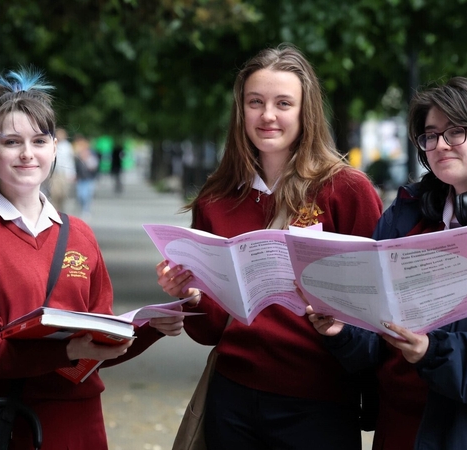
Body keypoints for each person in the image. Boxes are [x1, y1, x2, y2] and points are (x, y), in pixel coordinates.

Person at [155, 44, 383, 449]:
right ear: (241, 111)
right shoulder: (217, 197)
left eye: (283, 103)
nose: (268, 116)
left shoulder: (346, 191)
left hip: (319, 400)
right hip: (234, 395)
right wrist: (187, 292)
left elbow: (377, 309)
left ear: (305, 112)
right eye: (255, 102)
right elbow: (209, 329)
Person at [0, 68, 184, 450]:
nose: (27, 154)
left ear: (55, 147)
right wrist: (67, 350)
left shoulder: (80, 234)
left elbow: (99, 348)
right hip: (13, 421)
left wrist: (154, 326)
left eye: (39, 140)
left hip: (83, 420)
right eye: (11, 141)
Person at [307, 77, 467, 450]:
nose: (441, 144)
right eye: (431, 135)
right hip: (398, 428)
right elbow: (374, 338)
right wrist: (342, 327)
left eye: (457, 131)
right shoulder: (404, 217)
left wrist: (432, 351)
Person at [45, 128, 76, 211]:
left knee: (63, 193)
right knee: (54, 193)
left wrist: (72, 173)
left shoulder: (67, 146)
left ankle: (61, 209)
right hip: (55, 173)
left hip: (64, 173)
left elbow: (70, 161)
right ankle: (54, 209)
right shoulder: (52, 144)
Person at [73, 134, 99, 219]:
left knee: (88, 195)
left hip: (89, 179)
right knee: (81, 195)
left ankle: (86, 210)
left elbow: (95, 167)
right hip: (81, 179)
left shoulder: (91, 155)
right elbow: (76, 167)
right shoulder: (77, 157)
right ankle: (82, 207)